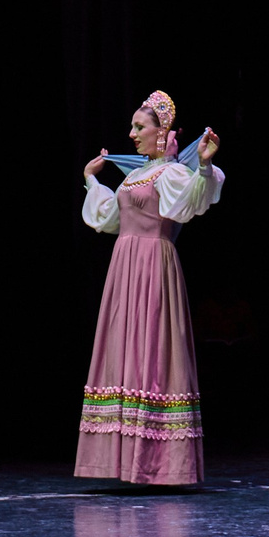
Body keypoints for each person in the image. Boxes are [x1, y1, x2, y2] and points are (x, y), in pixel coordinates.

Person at [77, 90, 222, 484]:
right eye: (133, 126)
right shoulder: (136, 174)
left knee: (153, 350)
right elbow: (110, 220)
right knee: (123, 349)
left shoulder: (171, 172)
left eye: (139, 127)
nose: (132, 133)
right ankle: (121, 460)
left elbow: (192, 201)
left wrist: (204, 168)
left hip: (153, 264)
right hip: (124, 266)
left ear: (162, 133)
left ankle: (157, 463)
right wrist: (91, 179)